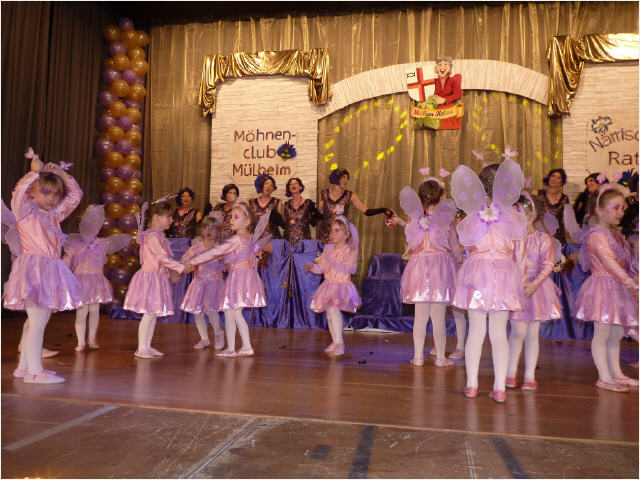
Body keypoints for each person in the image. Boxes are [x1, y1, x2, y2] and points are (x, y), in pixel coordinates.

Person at [450, 159, 527, 403]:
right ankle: (499, 387)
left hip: (477, 274)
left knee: (476, 331)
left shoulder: (474, 215)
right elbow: (520, 252)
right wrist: (521, 279)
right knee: (498, 333)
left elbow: (465, 243)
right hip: (504, 276)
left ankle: (472, 384)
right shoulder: (514, 216)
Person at [4, 150, 83, 384]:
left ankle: (23, 368)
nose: (51, 199)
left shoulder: (54, 215)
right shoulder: (26, 212)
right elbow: (19, 193)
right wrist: (34, 174)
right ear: (34, 192)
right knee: (38, 322)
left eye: (56, 194)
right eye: (45, 192)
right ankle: (35, 372)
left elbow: (76, 196)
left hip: (50, 270)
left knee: (35, 321)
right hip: (33, 270)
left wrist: (62, 174)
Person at [184, 203, 271, 358]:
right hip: (244, 276)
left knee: (233, 312)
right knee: (233, 313)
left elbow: (215, 251)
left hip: (239, 277)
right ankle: (242, 347)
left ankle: (236, 348)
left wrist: (194, 261)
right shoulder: (248, 238)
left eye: (236, 217)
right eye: (230, 217)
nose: (231, 220)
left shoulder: (237, 239)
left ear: (247, 222)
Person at [575, 186, 639, 392]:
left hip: (619, 288)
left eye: (623, 208)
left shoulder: (617, 236)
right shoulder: (596, 236)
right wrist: (633, 285)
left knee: (616, 333)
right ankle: (603, 377)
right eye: (616, 208)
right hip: (603, 288)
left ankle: (616, 373)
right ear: (600, 210)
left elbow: (627, 263)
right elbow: (610, 264)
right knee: (602, 334)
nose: (621, 213)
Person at [393, 180, 459, 367]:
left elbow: (411, 244)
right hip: (440, 267)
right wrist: (457, 261)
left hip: (419, 267)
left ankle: (418, 357)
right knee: (438, 317)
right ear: (440, 197)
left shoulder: (414, 218)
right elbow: (454, 246)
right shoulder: (446, 218)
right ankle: (441, 358)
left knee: (420, 316)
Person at [506, 194, 562, 390]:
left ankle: (529, 375)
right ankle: (510, 372)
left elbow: (548, 264)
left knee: (532, 333)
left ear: (532, 213)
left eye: (519, 211)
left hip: (537, 290)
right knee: (517, 331)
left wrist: (534, 284)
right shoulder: (511, 240)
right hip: (516, 289)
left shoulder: (541, 238)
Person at [63, 205, 131, 352]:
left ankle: (92, 338)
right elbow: (67, 260)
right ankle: (81, 342)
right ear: (79, 228)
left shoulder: (100, 242)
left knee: (94, 310)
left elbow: (107, 253)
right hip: (80, 281)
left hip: (96, 281)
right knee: (82, 312)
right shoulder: (75, 243)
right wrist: (62, 273)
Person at [124, 200, 186, 359]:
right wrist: (181, 267)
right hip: (150, 279)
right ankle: (141, 347)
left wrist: (171, 271)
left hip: (157, 278)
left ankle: (147, 346)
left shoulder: (158, 236)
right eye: (168, 216)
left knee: (153, 314)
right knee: (149, 314)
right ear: (157, 217)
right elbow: (162, 258)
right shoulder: (152, 236)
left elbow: (164, 260)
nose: (171, 220)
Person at [304, 216, 361, 357]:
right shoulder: (328, 249)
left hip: (342, 286)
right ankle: (335, 341)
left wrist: (333, 261)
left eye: (337, 231)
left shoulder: (349, 250)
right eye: (331, 230)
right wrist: (312, 267)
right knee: (329, 315)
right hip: (329, 285)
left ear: (346, 234)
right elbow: (322, 268)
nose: (332, 234)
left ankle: (340, 343)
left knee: (334, 310)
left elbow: (350, 269)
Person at [178, 215, 226, 350]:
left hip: (214, 283)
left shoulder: (220, 248)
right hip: (198, 283)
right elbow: (184, 261)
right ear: (201, 230)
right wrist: (183, 267)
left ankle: (218, 333)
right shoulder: (196, 248)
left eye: (213, 228)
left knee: (210, 310)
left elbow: (227, 263)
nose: (209, 231)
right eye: (206, 227)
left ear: (219, 231)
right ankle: (204, 338)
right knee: (197, 312)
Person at [317, 168, 391, 244]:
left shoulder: (349, 195)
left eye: (347, 178)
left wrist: (382, 210)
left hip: (341, 237)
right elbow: (320, 214)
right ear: (336, 177)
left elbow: (367, 211)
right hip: (325, 236)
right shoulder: (324, 194)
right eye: (343, 177)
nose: (346, 181)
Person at [533, 168, 570, 244]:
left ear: (561, 182)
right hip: (539, 236)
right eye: (553, 176)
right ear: (548, 178)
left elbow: (565, 219)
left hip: (559, 238)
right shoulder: (537, 193)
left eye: (558, 177)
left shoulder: (565, 199)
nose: (554, 179)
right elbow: (525, 206)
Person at [282, 177, 320, 245]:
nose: (293, 185)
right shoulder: (285, 205)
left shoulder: (308, 203)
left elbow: (314, 223)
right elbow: (284, 223)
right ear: (289, 188)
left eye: (296, 183)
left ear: (300, 187)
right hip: (288, 242)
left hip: (304, 242)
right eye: (291, 184)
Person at [248, 174, 283, 239]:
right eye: (266, 183)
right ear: (261, 185)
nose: (268, 186)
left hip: (273, 239)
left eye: (271, 185)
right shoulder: (251, 202)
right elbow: (248, 222)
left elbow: (282, 223)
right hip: (256, 239)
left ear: (273, 189)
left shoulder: (277, 202)